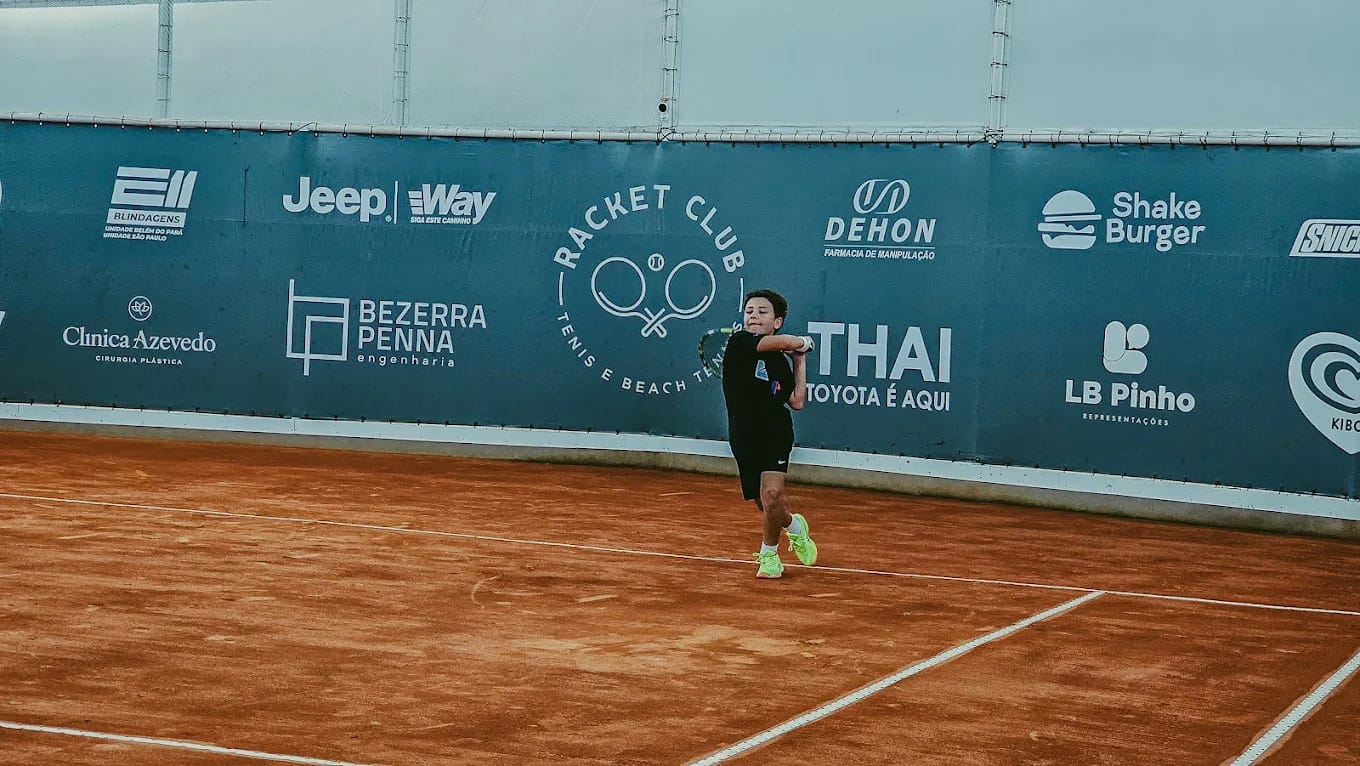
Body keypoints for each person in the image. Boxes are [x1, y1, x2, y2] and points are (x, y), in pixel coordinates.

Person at [721, 289, 818, 579]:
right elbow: (790, 342)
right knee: (765, 504)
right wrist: (804, 344)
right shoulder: (739, 342)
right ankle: (794, 526)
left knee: (773, 494)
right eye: (749, 311)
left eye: (762, 312)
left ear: (776, 321)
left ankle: (769, 555)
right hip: (743, 435)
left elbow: (797, 401)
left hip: (776, 431)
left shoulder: (779, 363)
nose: (753, 315)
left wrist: (799, 363)